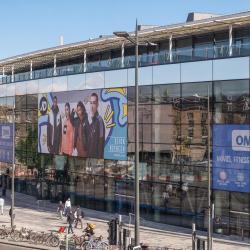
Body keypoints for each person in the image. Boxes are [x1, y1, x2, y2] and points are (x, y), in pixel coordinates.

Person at [88, 93, 105, 158]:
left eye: (94, 103)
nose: (92, 106)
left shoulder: (100, 121)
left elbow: (101, 144)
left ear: (97, 104)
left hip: (96, 159)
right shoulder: (89, 119)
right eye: (91, 103)